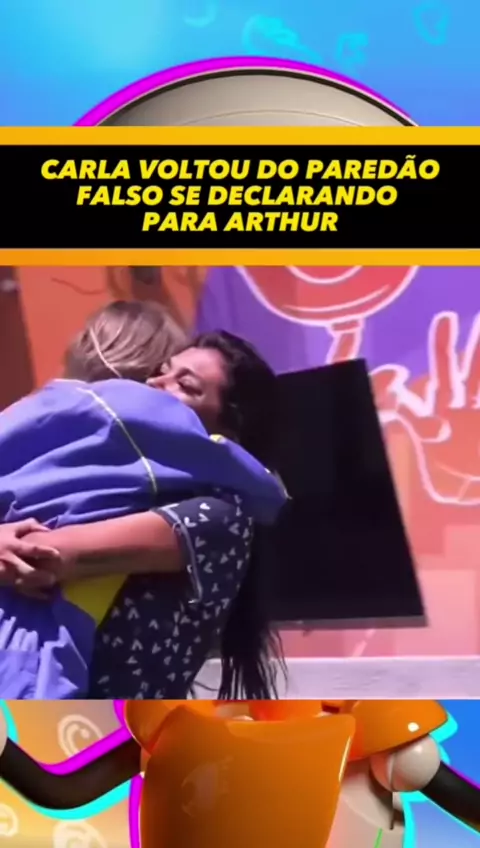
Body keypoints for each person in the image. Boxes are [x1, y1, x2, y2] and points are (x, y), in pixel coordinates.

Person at [0, 301, 286, 699]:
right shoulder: (108, 486)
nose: (153, 385)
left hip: (96, 728)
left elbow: (40, 558)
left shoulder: (220, 517)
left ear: (227, 434)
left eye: (186, 387)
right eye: (160, 371)